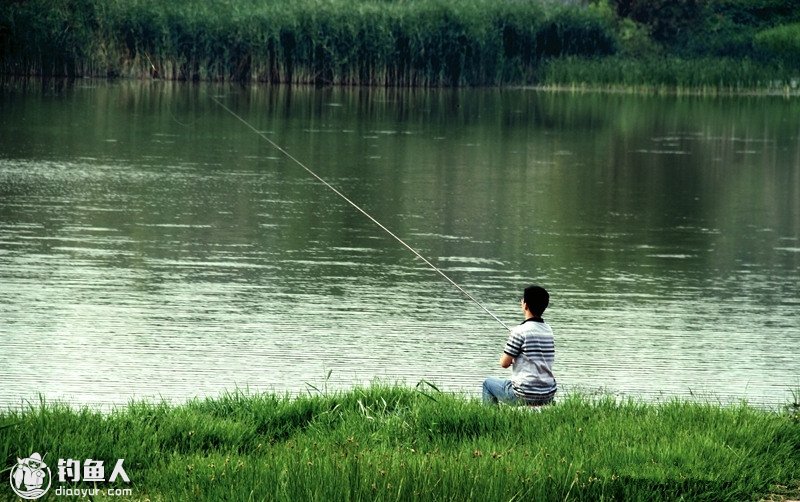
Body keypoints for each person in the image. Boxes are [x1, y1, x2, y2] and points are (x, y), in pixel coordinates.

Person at [482, 285, 557, 406]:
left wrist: (514, 339)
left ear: (526, 305)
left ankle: (492, 421)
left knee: (487, 384)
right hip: (548, 394)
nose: (521, 302)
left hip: (524, 394)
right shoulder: (548, 330)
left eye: (523, 300)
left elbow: (504, 363)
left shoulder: (519, 331)